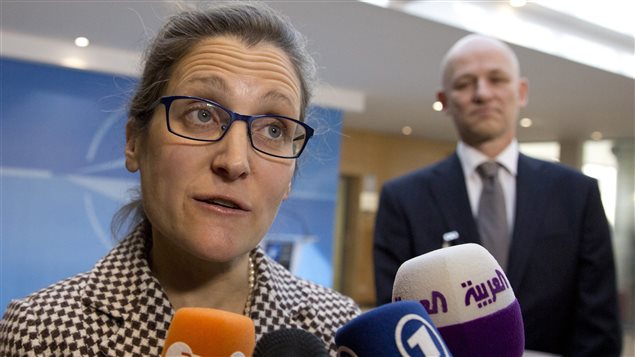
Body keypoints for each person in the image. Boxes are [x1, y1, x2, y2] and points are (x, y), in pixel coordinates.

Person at [0, 3, 360, 356]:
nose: (234, 162)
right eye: (202, 114)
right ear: (134, 142)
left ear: (290, 179)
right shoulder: (41, 333)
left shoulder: (340, 332)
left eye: (273, 129)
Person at [373, 34, 622, 356]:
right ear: (444, 100)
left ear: (520, 92)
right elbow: (400, 324)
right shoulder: (403, 198)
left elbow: (599, 325)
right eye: (464, 83)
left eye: (496, 79)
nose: (482, 93)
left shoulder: (577, 194)